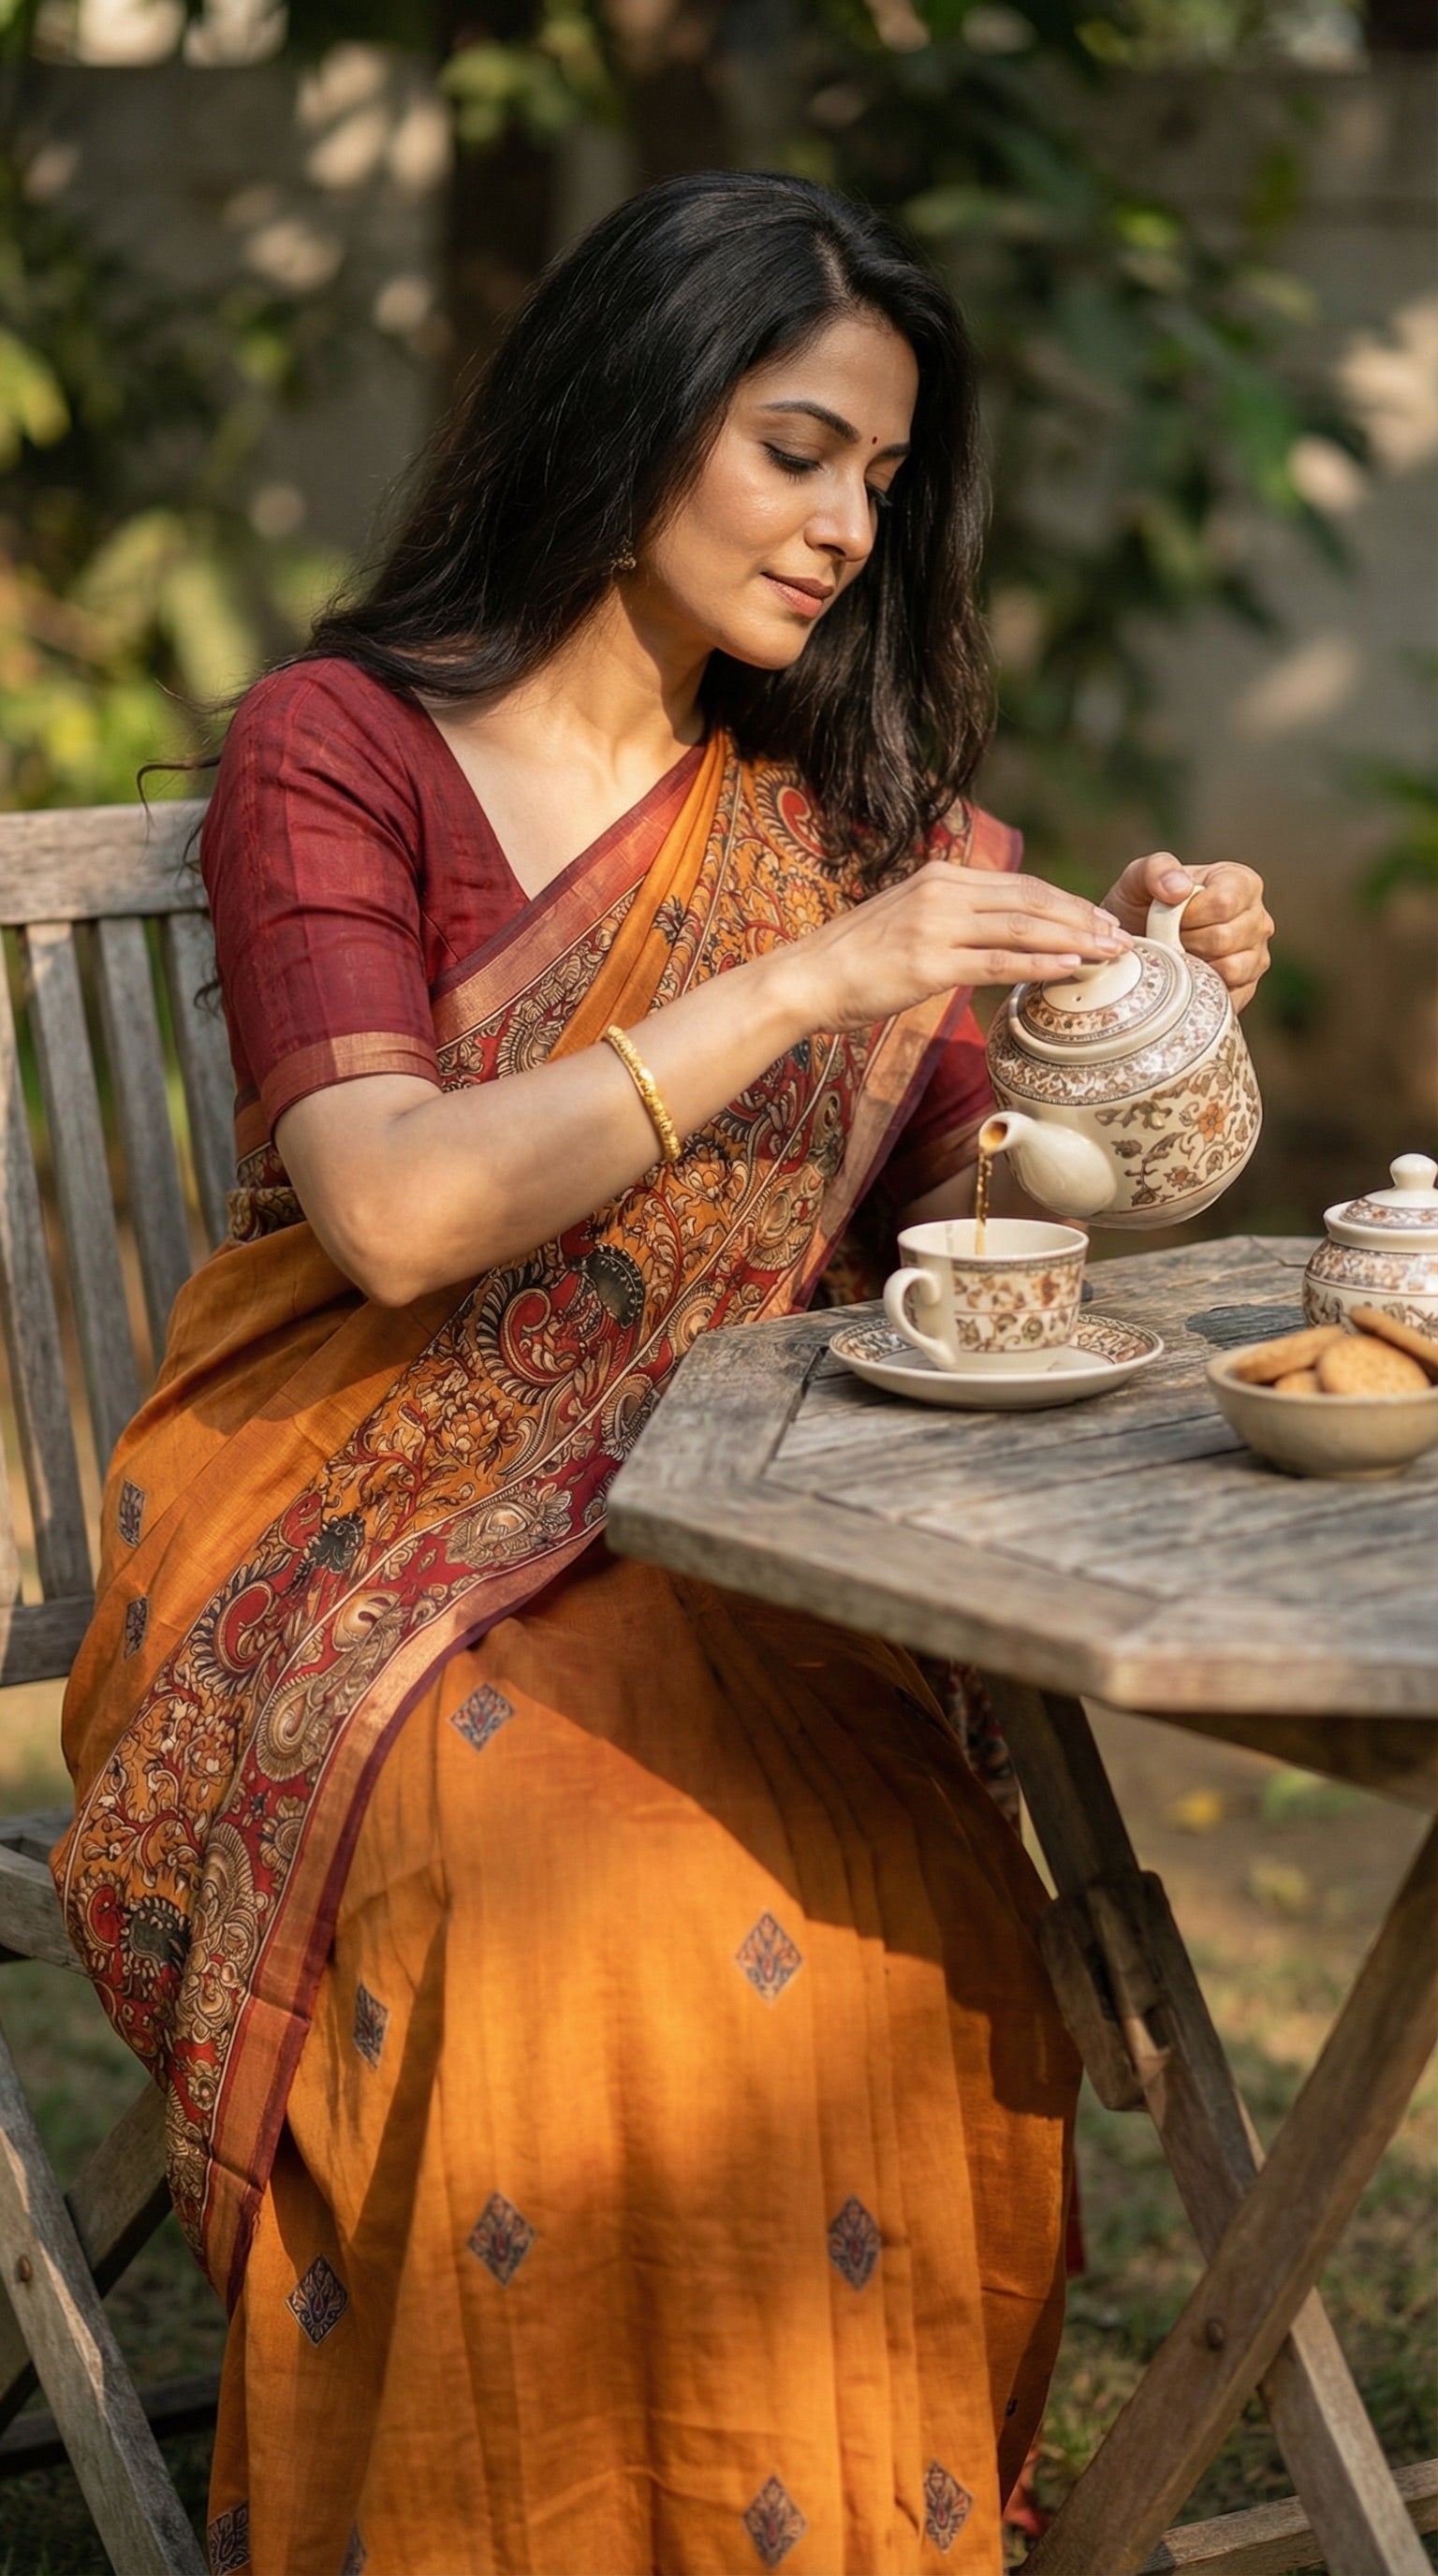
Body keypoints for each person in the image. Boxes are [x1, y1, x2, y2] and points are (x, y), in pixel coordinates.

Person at [54, 171, 1271, 2576]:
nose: (845, 528)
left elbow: (973, 1225)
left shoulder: (844, 819)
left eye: (884, 484)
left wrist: (1137, 1029)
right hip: (353, 1538)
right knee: (576, 1899)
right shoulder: (344, 746)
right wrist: (820, 981)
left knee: (898, 1891)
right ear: (631, 410)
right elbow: (391, 1205)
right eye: (798, 448)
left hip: (729, 1527)